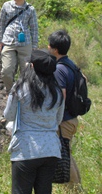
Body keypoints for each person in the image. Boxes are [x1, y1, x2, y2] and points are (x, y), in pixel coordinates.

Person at [4, 50, 65, 194]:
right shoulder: (57, 91)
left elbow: (9, 115)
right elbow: (58, 119)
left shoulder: (20, 87)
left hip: (26, 149)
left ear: (32, 67)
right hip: (51, 150)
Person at [48, 29, 82, 191]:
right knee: (66, 153)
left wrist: (54, 119)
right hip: (72, 118)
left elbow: (60, 96)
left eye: (49, 46)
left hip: (64, 120)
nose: (48, 48)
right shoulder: (71, 65)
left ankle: (76, 189)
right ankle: (75, 188)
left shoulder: (59, 69)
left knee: (65, 156)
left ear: (55, 49)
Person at [0, 0, 39, 93]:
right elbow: (1, 23)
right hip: (8, 41)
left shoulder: (30, 9)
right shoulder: (6, 5)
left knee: (26, 71)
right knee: (6, 71)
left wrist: (34, 46)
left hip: (25, 43)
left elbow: (34, 28)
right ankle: (11, 93)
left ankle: (24, 93)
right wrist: (0, 40)